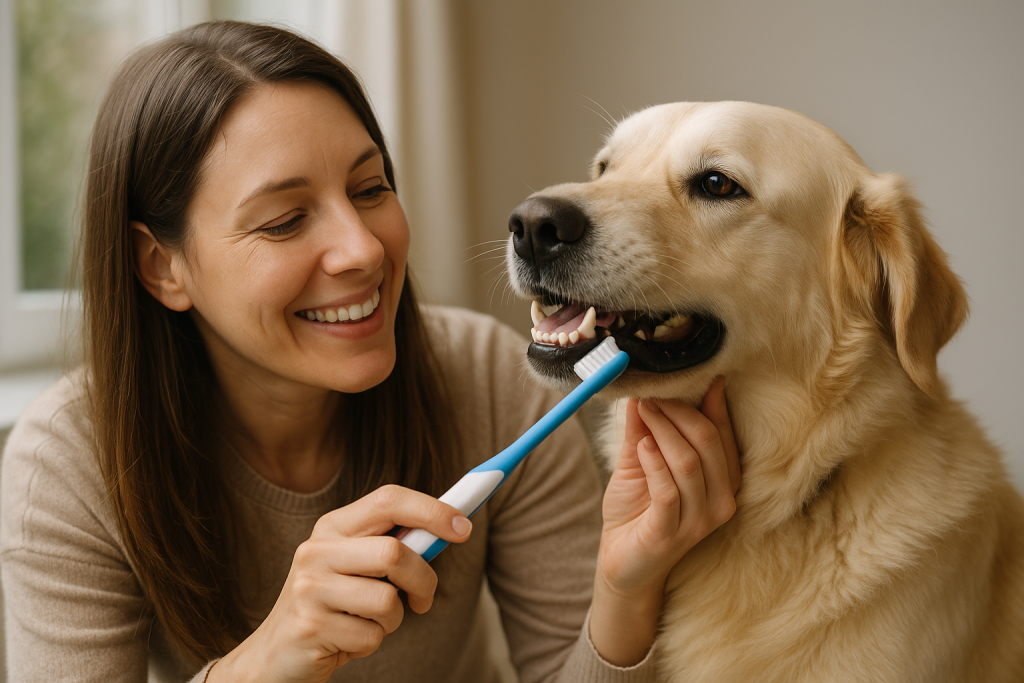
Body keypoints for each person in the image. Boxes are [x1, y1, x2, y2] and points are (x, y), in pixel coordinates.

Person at [0, 21, 740, 683]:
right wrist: (262, 664)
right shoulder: (68, 463)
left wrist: (623, 587)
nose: (362, 250)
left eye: (370, 188)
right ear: (162, 266)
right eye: (284, 221)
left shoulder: (489, 379)